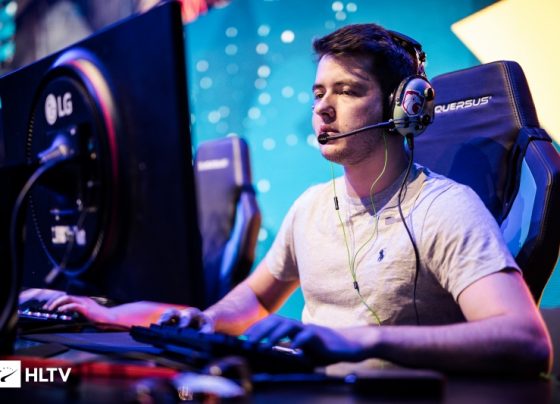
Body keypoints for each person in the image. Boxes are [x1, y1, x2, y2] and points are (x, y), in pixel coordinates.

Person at [37, 23, 552, 376]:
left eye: (347, 91)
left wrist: (360, 341)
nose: (324, 108)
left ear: (402, 107)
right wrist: (203, 322)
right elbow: (255, 301)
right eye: (318, 93)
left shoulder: (444, 208)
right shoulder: (311, 207)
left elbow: (526, 341)